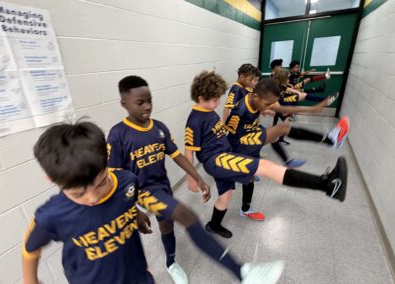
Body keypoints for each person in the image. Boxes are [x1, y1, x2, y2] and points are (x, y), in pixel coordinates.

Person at [23, 121, 285, 284]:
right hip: (89, 280)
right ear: (51, 179)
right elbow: (30, 248)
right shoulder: (51, 215)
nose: (93, 197)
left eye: (101, 183)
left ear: (107, 160)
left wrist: (135, 212)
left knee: (185, 215)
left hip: (138, 276)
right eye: (79, 193)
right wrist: (29, 280)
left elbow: (134, 198)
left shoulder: (125, 181)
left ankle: (243, 272)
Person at [107, 75, 283, 284]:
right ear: (124, 104)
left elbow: (178, 155)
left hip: (162, 186)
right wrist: (133, 210)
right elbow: (114, 178)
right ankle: (243, 272)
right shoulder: (118, 134)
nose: (147, 107)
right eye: (140, 103)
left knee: (167, 226)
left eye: (149, 100)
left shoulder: (159, 128)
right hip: (143, 191)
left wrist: (197, 177)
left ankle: (171, 263)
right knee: (187, 215)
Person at [185, 71, 348, 239]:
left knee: (226, 196)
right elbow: (188, 151)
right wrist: (193, 178)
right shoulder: (195, 120)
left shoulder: (208, 111)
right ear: (200, 97)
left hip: (225, 153)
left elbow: (222, 133)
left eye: (218, 98)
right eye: (214, 100)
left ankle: (214, 225)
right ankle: (327, 184)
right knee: (266, 166)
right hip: (217, 159)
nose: (218, 103)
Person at [226, 79, 349, 221]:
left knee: (251, 177)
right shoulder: (239, 110)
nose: (270, 107)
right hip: (241, 143)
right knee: (282, 128)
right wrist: (230, 161)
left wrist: (313, 109)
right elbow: (228, 134)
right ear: (256, 97)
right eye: (267, 104)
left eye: (270, 104)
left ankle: (246, 209)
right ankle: (331, 141)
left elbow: (283, 109)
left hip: (252, 136)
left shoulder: (257, 99)